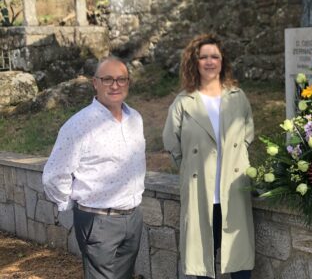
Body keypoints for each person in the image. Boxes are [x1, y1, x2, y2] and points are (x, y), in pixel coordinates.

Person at [42, 56, 146, 279]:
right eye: (107, 79)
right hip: (98, 221)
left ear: (128, 83)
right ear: (95, 83)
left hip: (132, 218)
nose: (115, 85)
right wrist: (73, 204)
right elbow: (54, 175)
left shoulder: (135, 119)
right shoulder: (79, 125)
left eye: (121, 79)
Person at [162, 33, 255, 279]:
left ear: (222, 61)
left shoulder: (238, 98)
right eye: (204, 57)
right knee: (202, 263)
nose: (210, 62)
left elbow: (247, 137)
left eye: (215, 56)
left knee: (239, 263)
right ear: (195, 62)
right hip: (199, 190)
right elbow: (173, 145)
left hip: (233, 190)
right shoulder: (183, 103)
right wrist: (194, 171)